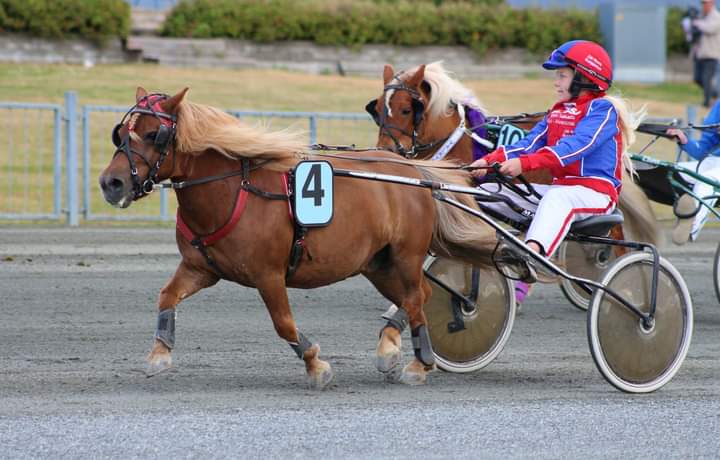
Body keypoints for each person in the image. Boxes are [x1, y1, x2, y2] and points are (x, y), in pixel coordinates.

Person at [469, 40, 642, 289]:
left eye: (562, 75)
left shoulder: (602, 111)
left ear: (584, 77)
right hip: (560, 191)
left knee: (558, 199)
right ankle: (489, 248)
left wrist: (523, 165)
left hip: (595, 194)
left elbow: (573, 149)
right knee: (488, 192)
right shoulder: (558, 111)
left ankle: (530, 255)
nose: (555, 82)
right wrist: (487, 161)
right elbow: (526, 144)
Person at [666, 100, 720, 245]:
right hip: (714, 162)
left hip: (714, 171)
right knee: (675, 170)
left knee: (707, 179)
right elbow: (703, 149)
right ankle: (683, 210)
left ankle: (691, 223)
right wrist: (684, 140)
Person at [691, 0, 720, 108]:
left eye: (705, 2)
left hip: (712, 54)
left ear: (712, 3)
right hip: (701, 54)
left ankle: (706, 102)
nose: (703, 5)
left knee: (706, 79)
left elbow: (710, 28)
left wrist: (697, 23)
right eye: (702, 3)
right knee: (698, 78)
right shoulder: (703, 16)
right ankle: (714, 93)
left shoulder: (717, 17)